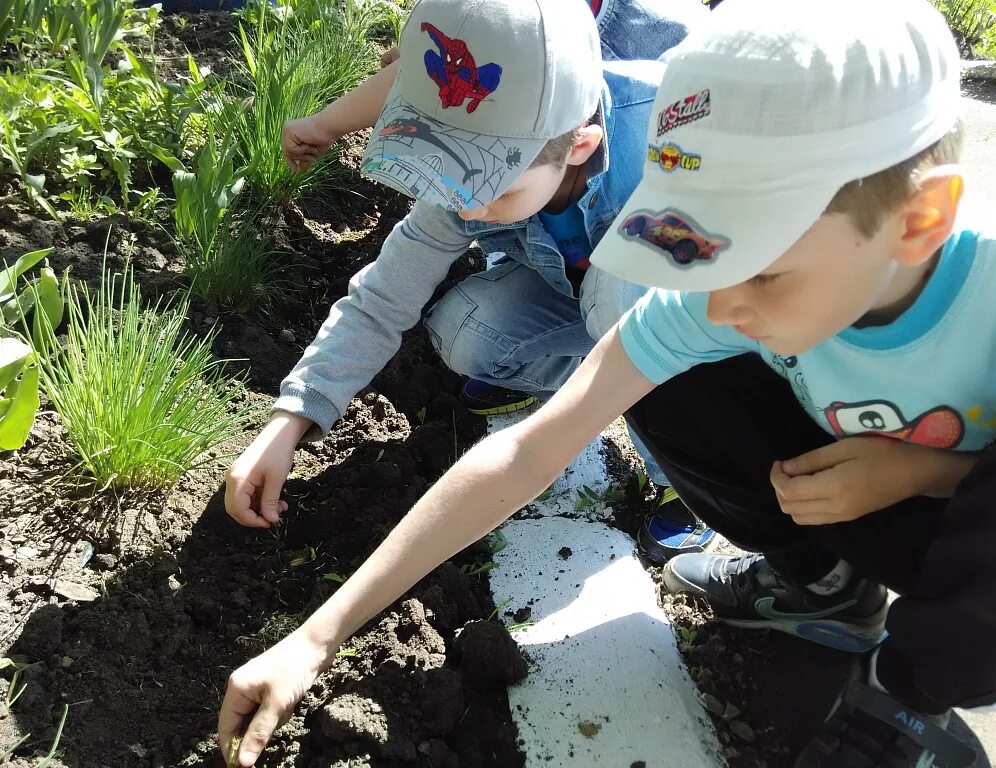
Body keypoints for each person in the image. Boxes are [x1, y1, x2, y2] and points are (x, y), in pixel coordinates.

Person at [219, 1, 996, 764]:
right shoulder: (729, 291)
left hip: (977, 544)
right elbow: (528, 453)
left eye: (766, 273)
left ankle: (909, 696)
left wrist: (923, 470)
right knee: (661, 375)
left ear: (919, 222)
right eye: (709, 260)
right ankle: (822, 587)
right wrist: (317, 635)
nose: (722, 306)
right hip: (857, 485)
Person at [228, 0, 718, 559]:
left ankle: (685, 480)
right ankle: (574, 371)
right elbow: (384, 297)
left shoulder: (670, 136)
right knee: (470, 333)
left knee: (620, 296)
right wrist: (289, 420)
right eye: (455, 177)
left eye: (499, 188)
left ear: (578, 146)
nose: (470, 205)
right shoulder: (474, 180)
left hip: (682, 312)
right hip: (575, 291)